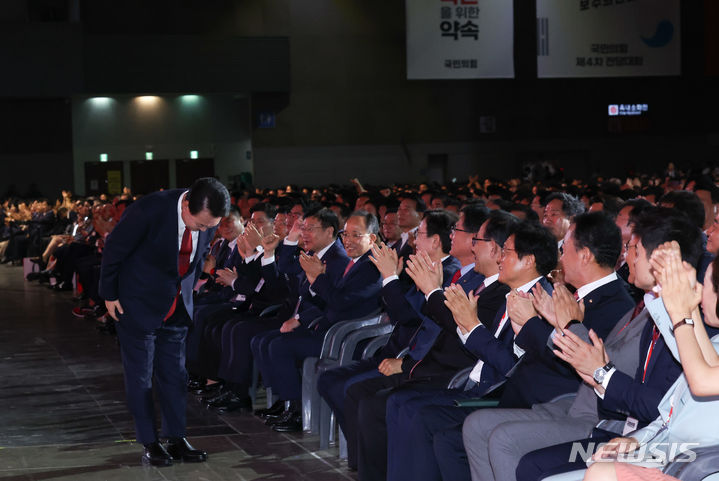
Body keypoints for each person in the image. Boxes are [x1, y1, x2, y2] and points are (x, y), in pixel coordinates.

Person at [99, 177, 230, 466]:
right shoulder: (148, 210)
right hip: (137, 303)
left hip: (177, 307)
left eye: (211, 226)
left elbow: (197, 260)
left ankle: (176, 437)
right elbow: (114, 250)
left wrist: (188, 295)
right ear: (186, 205)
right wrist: (108, 294)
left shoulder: (208, 219)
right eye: (200, 225)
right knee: (141, 376)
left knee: (175, 375)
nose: (206, 230)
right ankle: (150, 441)